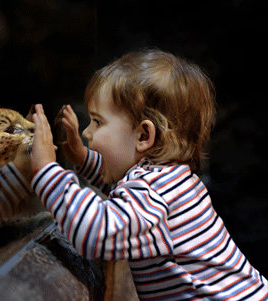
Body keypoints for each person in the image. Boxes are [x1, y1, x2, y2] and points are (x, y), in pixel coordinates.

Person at [29, 49, 268, 300]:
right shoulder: (167, 178)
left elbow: (95, 232)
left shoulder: (154, 192)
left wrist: (46, 171)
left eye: (98, 122)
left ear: (144, 136)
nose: (88, 133)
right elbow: (123, 189)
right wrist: (83, 158)